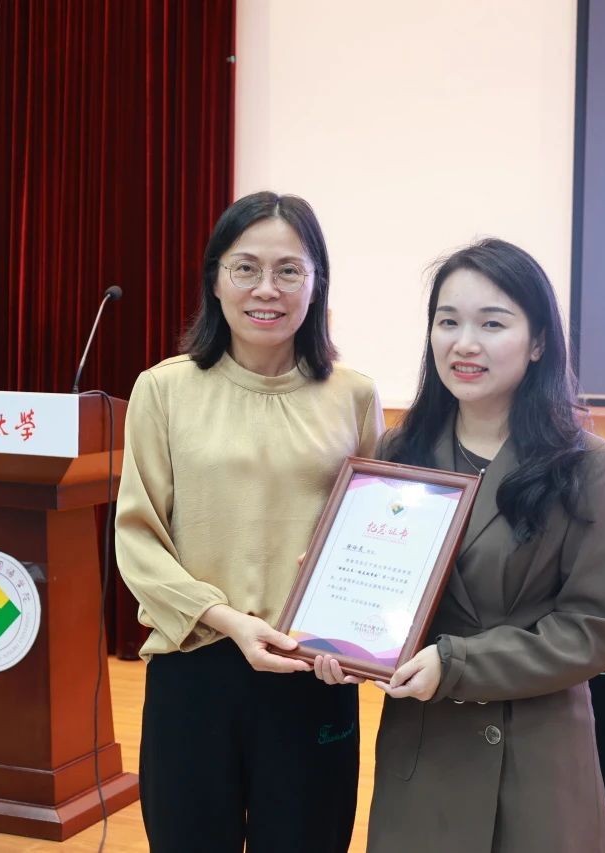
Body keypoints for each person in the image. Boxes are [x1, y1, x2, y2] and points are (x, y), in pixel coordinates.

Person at [316, 237, 605, 853]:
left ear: (538, 342)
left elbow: (591, 628)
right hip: (425, 750)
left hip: (533, 756)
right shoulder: (399, 452)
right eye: (448, 321)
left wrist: (457, 664)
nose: (464, 343)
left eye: (492, 323)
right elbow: (382, 595)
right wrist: (336, 627)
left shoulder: (586, 465)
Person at [115, 191, 383, 853]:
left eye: (290, 270)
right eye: (246, 268)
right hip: (196, 665)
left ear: (317, 283)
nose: (268, 289)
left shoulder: (353, 395)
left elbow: (372, 533)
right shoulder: (163, 389)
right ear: (216, 279)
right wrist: (229, 620)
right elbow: (138, 537)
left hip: (311, 673)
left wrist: (360, 630)